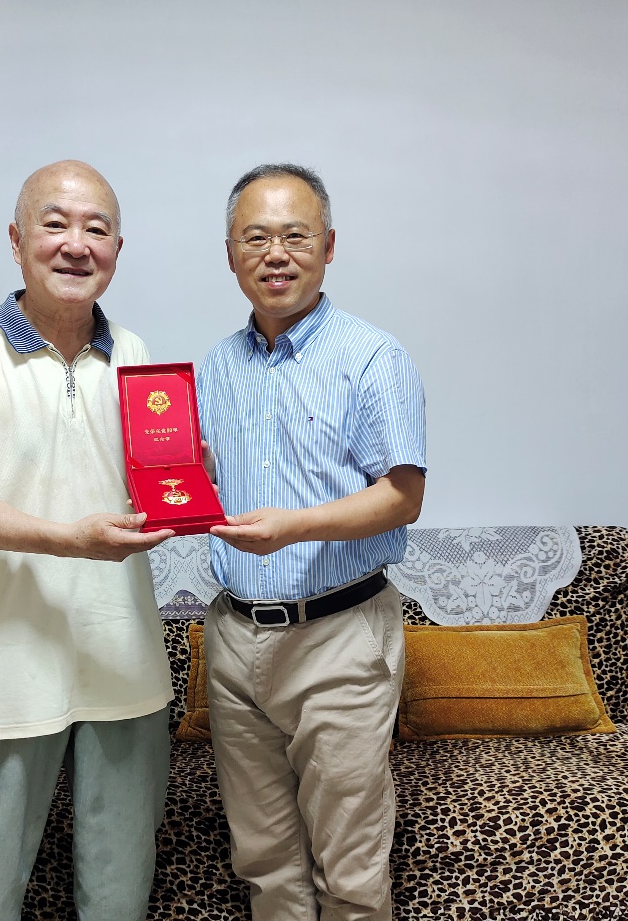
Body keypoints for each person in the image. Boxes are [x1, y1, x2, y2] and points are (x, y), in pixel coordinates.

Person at [0, 160, 175, 921]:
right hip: (4, 668)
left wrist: (190, 477)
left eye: (96, 229)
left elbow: (153, 480)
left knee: (120, 892)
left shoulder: (137, 355)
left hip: (121, 658)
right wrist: (69, 539)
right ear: (16, 238)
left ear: (117, 248)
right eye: (55, 224)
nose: (75, 244)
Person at [197, 163, 427, 921]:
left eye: (295, 236)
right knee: (264, 863)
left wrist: (292, 527)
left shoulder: (372, 357)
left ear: (328, 246)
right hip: (233, 639)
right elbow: (196, 479)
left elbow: (402, 497)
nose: (275, 254)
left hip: (339, 638)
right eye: (255, 237)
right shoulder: (212, 369)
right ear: (230, 253)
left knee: (350, 872)